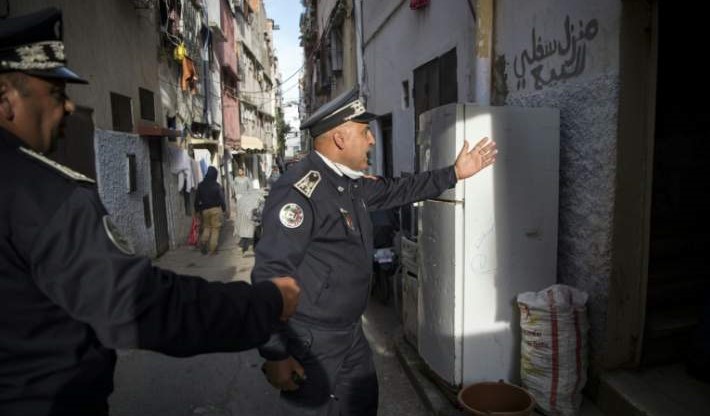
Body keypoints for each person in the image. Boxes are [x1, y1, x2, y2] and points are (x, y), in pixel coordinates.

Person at [0, 8, 300, 416]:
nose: (69, 108)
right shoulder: (38, 191)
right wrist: (263, 304)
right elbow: (139, 304)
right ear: (6, 100)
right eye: (55, 93)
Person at [251, 88, 497, 415]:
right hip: (313, 339)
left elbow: (399, 189)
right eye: (365, 132)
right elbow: (270, 275)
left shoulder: (348, 183)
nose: (372, 140)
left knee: (364, 402)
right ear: (339, 139)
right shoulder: (299, 192)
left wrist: (453, 173)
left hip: (350, 331)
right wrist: (276, 353)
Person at [195, 165, 226, 255]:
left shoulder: (200, 185)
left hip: (204, 210)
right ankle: (213, 249)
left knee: (207, 227)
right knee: (215, 229)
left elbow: (197, 199)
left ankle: (203, 242)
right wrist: (224, 208)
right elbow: (221, 198)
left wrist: (197, 210)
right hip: (216, 210)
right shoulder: (217, 186)